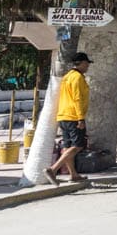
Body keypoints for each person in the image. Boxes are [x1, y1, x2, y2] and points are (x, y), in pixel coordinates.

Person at [45, 52, 91, 184]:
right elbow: (77, 98)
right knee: (78, 145)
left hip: (63, 115)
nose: (87, 66)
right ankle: (53, 169)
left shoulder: (67, 76)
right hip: (73, 116)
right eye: (86, 63)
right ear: (81, 63)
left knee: (68, 146)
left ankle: (73, 174)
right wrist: (80, 118)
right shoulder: (77, 78)